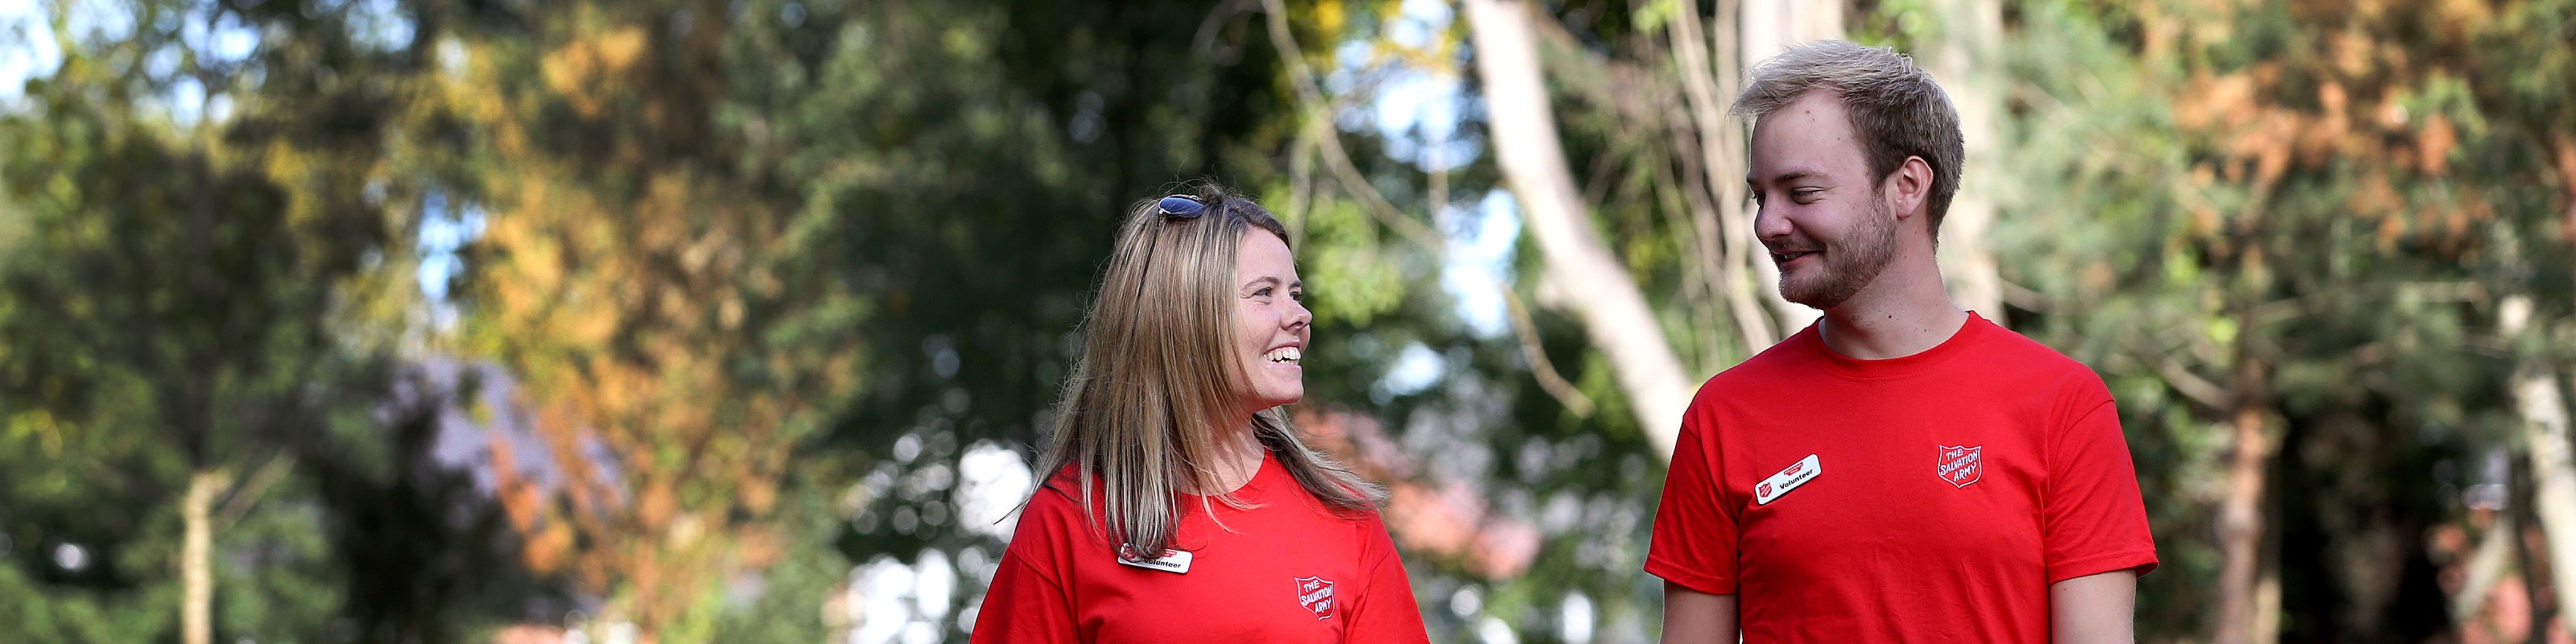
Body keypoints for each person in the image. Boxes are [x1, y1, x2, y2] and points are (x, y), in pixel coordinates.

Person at [1646, 40, 2158, 643]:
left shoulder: (2062, 405)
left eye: (1801, 192)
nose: (1767, 224)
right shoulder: (1724, 417)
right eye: (1761, 196)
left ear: (1907, 186)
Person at [971, 184, 1430, 642]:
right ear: (1184, 320)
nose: (1300, 314)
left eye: (1294, 292)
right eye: (1265, 294)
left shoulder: (1343, 519)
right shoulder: (1071, 517)